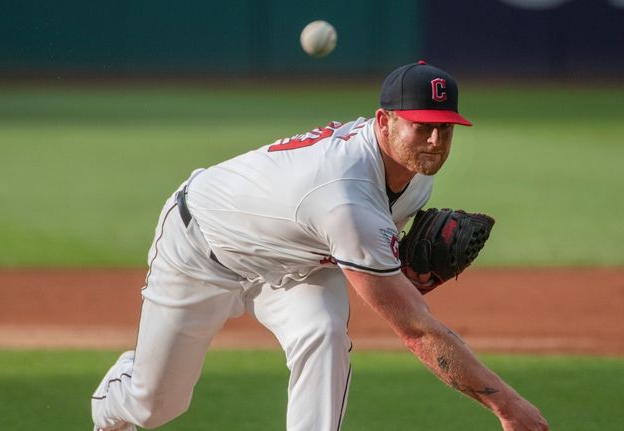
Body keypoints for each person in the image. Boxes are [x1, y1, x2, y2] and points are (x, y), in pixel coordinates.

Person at [91, 61, 548, 431]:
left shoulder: (417, 180)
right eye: (422, 126)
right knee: (155, 408)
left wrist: (404, 275)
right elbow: (416, 330)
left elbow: (375, 258)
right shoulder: (344, 196)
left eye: (445, 129)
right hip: (201, 246)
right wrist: (506, 406)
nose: (434, 141)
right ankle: (117, 393)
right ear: (384, 122)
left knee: (324, 335)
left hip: (300, 259)